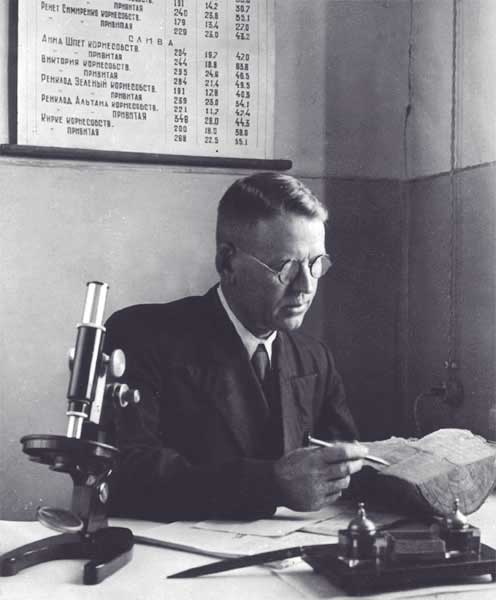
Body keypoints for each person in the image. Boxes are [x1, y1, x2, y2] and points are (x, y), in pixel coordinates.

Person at [104, 172, 368, 521]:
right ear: (227, 263)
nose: (305, 286)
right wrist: (271, 484)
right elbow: (126, 472)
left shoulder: (314, 358)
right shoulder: (142, 336)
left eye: (316, 264)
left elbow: (345, 468)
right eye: (286, 267)